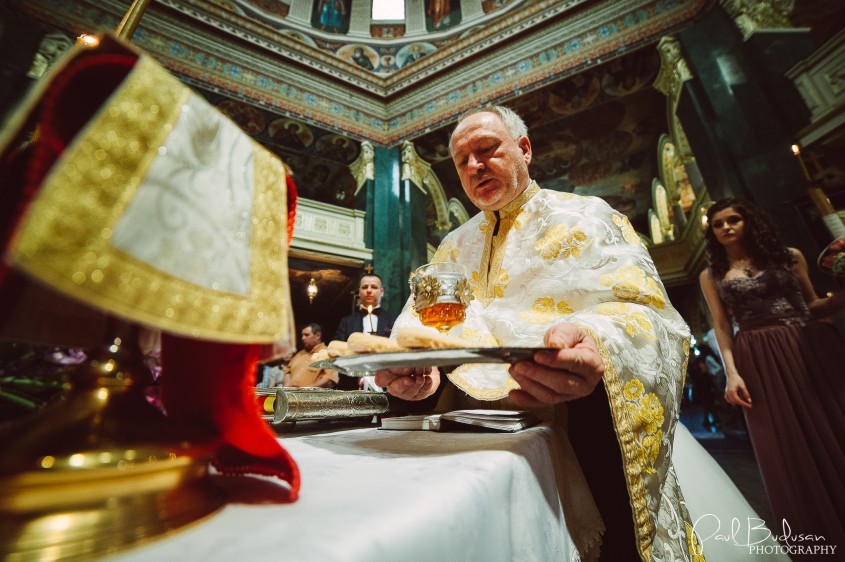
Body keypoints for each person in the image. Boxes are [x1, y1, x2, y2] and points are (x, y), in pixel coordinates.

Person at [376, 105, 699, 560]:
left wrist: (594, 339)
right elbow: (422, 331)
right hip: (469, 445)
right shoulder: (452, 246)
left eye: (487, 150)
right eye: (462, 161)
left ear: (524, 149)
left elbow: (649, 312)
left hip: (572, 424)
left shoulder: (588, 217)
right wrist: (421, 374)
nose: (474, 166)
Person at [699, 197, 845, 555]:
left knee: (835, 424)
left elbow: (812, 304)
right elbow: (721, 325)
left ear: (750, 221)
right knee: (785, 441)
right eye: (718, 224)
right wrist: (731, 374)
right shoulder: (711, 274)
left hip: (808, 345)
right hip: (758, 355)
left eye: (733, 219)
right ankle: (819, 535)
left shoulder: (789, 256)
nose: (726, 227)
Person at [334, 273, 398, 391]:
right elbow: (337, 351)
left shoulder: (393, 320)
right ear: (359, 292)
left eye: (374, 287)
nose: (369, 290)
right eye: (364, 287)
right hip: (351, 384)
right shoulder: (347, 321)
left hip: (388, 385)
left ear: (381, 291)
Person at [283, 323, 337, 388]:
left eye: (306, 335)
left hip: (311, 397)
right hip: (290, 395)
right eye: (302, 335)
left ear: (318, 335)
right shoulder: (299, 354)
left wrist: (305, 390)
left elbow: (329, 379)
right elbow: (287, 371)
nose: (303, 338)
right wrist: (287, 384)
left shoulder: (328, 354)